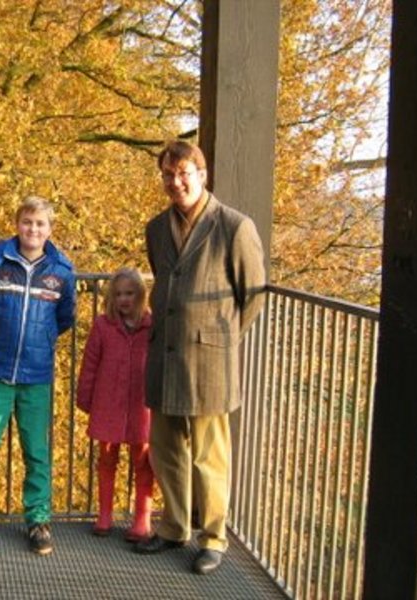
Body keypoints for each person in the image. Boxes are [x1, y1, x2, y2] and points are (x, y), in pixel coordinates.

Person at [134, 141, 266, 575]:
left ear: (202, 175)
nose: (176, 182)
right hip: (165, 355)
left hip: (210, 362)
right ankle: (174, 527)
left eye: (184, 173)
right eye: (168, 175)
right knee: (167, 448)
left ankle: (212, 537)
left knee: (210, 455)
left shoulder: (234, 226)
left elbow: (252, 296)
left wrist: (220, 338)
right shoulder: (156, 228)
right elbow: (164, 279)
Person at [0, 196, 76, 555]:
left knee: (36, 452)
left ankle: (38, 520)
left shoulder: (61, 271)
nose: (32, 229)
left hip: (36, 377)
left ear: (50, 229)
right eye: (27, 222)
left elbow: (64, 318)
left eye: (40, 224)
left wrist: (43, 339)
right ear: (17, 224)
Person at [76, 267, 154, 542]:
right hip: (108, 400)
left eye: (129, 293)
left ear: (140, 295)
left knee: (143, 460)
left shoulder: (151, 326)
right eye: (118, 294)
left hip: (141, 403)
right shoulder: (103, 325)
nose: (124, 299)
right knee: (107, 457)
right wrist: (85, 397)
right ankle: (104, 514)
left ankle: (142, 518)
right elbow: (90, 364)